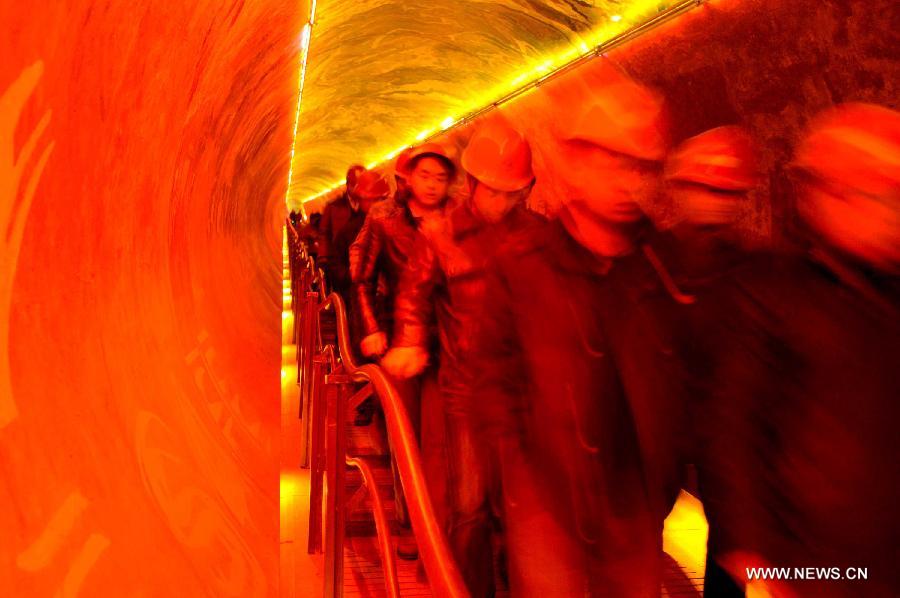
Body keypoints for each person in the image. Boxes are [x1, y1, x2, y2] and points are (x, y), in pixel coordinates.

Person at [471, 63, 689, 597]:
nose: (624, 179)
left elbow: (688, 376)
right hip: (546, 497)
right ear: (574, 162)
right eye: (609, 160)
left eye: (638, 166)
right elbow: (491, 371)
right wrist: (516, 478)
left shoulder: (663, 268)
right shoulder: (524, 263)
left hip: (634, 504)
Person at [706, 103, 900, 598]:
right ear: (827, 194)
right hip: (813, 562)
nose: (889, 214)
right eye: (879, 195)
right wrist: (753, 551)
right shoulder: (767, 289)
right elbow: (731, 426)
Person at [382, 116, 541, 596]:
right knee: (469, 505)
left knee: (518, 505)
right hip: (465, 390)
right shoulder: (440, 234)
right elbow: (413, 293)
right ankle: (468, 587)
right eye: (494, 190)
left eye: (513, 192)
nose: (503, 200)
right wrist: (410, 340)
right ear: (472, 184)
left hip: (524, 391)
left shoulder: (536, 234)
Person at [661, 125, 760, 598]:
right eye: (708, 188)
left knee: (729, 531)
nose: (718, 201)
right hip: (662, 421)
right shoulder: (651, 259)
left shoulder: (752, 265)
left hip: (721, 422)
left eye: (729, 193)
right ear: (680, 188)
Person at [349, 142, 457, 560]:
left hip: (450, 342)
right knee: (408, 437)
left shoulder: (457, 218)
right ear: (408, 179)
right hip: (400, 341)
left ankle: (446, 524)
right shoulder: (384, 219)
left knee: (444, 439)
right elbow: (361, 275)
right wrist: (372, 330)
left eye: (440, 177)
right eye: (424, 175)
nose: (431, 185)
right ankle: (411, 524)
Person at [319, 164, 366, 298]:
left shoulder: (370, 206)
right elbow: (324, 234)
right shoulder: (334, 207)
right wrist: (324, 259)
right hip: (341, 262)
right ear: (347, 185)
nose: (358, 190)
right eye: (354, 186)